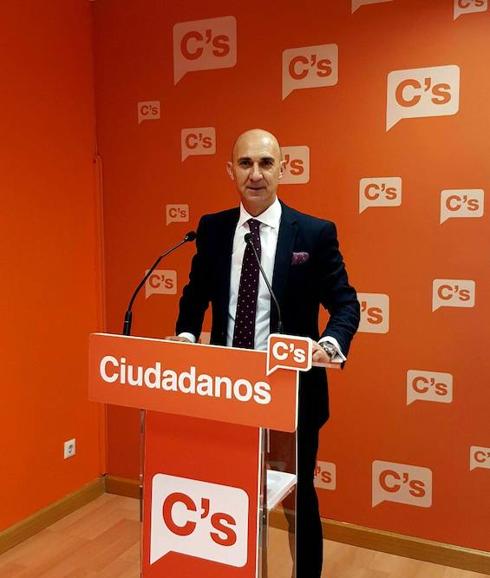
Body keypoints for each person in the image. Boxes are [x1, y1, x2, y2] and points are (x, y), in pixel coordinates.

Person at [167, 128, 360, 578]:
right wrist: (187, 338)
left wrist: (329, 344)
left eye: (266, 163)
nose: (255, 174)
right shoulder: (213, 229)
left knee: (297, 501)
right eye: (245, 163)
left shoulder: (313, 233)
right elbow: (194, 297)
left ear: (283, 169)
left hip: (290, 393)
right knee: (228, 495)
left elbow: (345, 303)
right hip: (226, 391)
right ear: (230, 170)